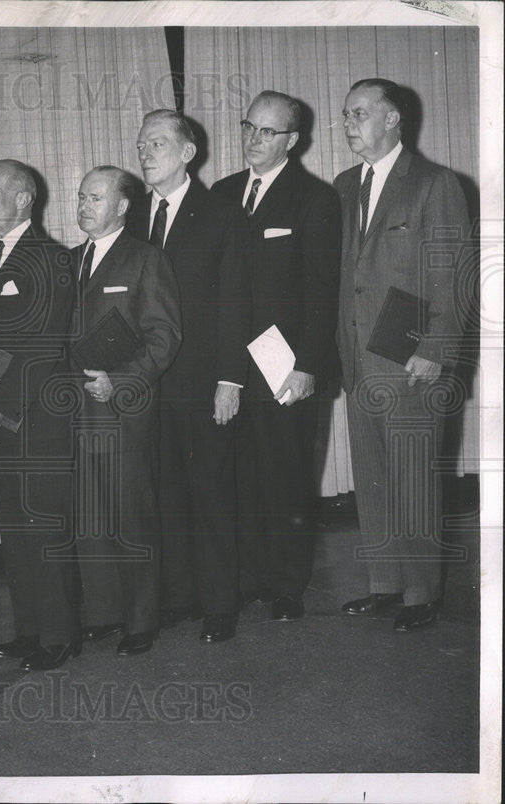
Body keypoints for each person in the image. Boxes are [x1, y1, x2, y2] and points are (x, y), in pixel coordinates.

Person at [334, 79, 471, 631]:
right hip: (358, 357)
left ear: (392, 120)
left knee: (413, 479)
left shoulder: (434, 183)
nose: (348, 123)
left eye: (360, 113)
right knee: (371, 476)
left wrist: (436, 349)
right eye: (345, 114)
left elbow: (456, 276)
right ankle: (384, 584)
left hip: (412, 361)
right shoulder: (344, 185)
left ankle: (421, 593)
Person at [211, 91, 342, 622]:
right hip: (229, 366)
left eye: (268, 132)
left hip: (285, 363)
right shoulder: (220, 193)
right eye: (249, 127)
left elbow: (321, 291)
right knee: (239, 474)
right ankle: (253, 577)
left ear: (292, 140)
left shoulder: (313, 198)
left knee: (285, 473)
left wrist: (308, 364)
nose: (254, 139)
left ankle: (289, 584)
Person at [127, 109, 252, 643]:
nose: (145, 153)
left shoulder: (222, 215)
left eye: (157, 143)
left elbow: (236, 304)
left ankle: (221, 603)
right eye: (140, 145)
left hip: (204, 382)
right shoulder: (130, 220)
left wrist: (231, 379)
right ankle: (180, 597)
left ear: (187, 153)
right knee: (164, 495)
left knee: (211, 493)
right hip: (147, 384)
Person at [0, 159, 80, 672]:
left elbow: (44, 346)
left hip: (37, 420)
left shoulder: (51, 259)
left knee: (45, 529)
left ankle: (60, 635)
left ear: (24, 198)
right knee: (17, 528)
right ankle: (30, 629)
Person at [71, 166, 182, 657]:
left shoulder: (145, 259)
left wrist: (121, 381)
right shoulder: (69, 261)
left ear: (121, 206)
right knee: (91, 514)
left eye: (94, 197)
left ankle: (141, 619)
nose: (83, 205)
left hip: (123, 408)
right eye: (80, 197)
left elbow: (165, 336)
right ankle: (104, 612)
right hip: (75, 410)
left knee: (131, 514)